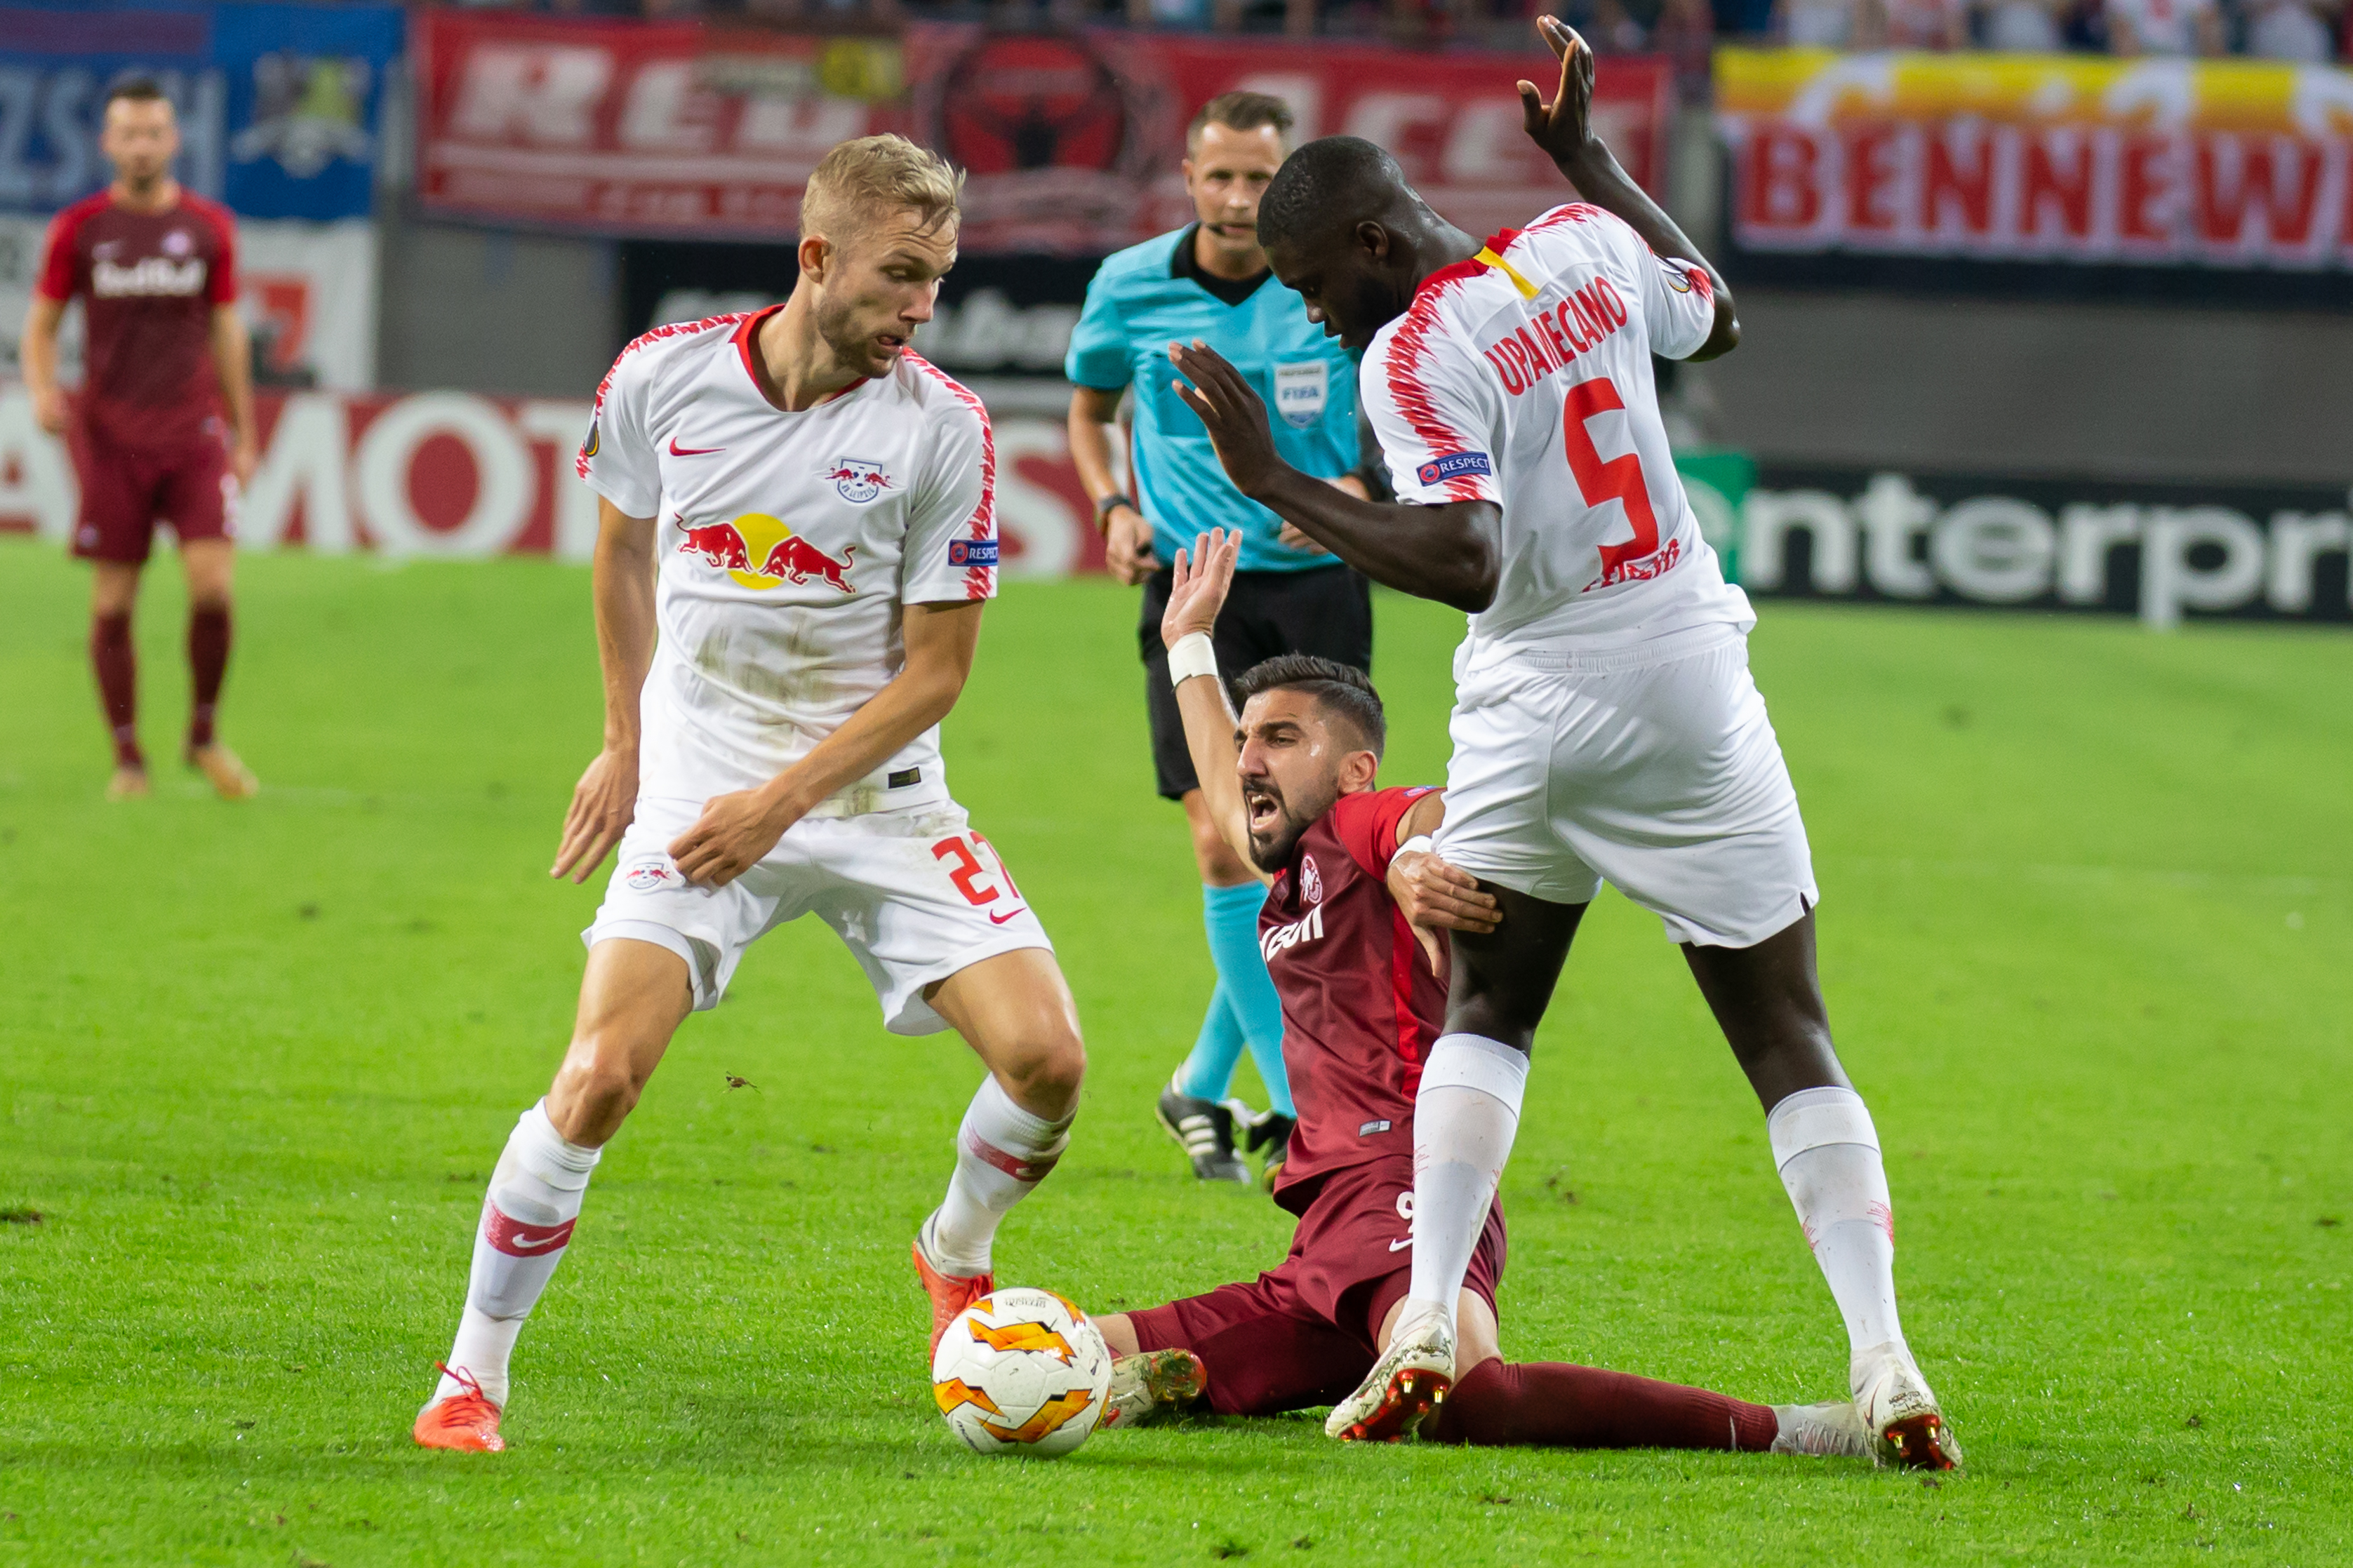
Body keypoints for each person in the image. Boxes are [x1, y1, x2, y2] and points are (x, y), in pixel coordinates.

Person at [1163, 19, 1959, 1468]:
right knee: (1786, 1033)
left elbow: (1466, 555)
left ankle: (1415, 1323)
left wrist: (1272, 477)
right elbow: (1709, 314)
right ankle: (1882, 1354)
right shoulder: (1582, 245)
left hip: (1538, 700)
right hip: (1688, 680)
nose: (1313, 315)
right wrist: (1589, 160)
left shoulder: (1407, 356)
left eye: (1309, 283)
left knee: (1485, 1015)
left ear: (1367, 237)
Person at [413, 135, 1088, 1454]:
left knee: (1049, 1065)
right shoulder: (661, 379)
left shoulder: (942, 428)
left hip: (876, 793)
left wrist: (785, 802)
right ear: (816, 258)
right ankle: (469, 1380)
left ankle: (953, 1246)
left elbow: (938, 672)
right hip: (699, 788)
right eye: (900, 276)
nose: (920, 309)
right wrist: (623, 740)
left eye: (938, 282)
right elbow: (618, 554)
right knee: (601, 1073)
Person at [1067, 528, 1869, 1459]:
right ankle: (1191, 1370)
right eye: (1250, 737)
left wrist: (1412, 857)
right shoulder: (1289, 858)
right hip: (1326, 1227)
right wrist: (1188, 644)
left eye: (1280, 738)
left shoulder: (1358, 822)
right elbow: (1218, 775)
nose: (1249, 758)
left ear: (1352, 767)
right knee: (1077, 1348)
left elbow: (1428, 816)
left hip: (1407, 1178)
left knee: (1477, 1397)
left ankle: (1803, 1432)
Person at [1065, 91, 1373, 1191]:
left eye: (1261, 180)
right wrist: (1111, 501)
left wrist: (1354, 483)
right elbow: (1090, 410)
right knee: (1221, 840)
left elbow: (1401, 415)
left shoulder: (1330, 286)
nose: (1240, 200)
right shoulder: (1131, 284)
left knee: (1297, 857)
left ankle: (1201, 1077)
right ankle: (1299, 1110)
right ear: (1189, 179)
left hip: (1320, 589)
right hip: (1195, 591)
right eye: (1222, 177)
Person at [20, 78, 260, 802]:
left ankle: (204, 737)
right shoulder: (81, 229)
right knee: (113, 605)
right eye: (129, 133)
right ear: (107, 143)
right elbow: (42, 324)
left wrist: (244, 431)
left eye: (154, 132)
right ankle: (128, 758)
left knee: (213, 588)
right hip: (112, 439)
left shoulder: (209, 228)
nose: (142, 145)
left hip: (193, 434)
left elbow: (225, 329)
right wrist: (40, 390)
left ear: (174, 139)